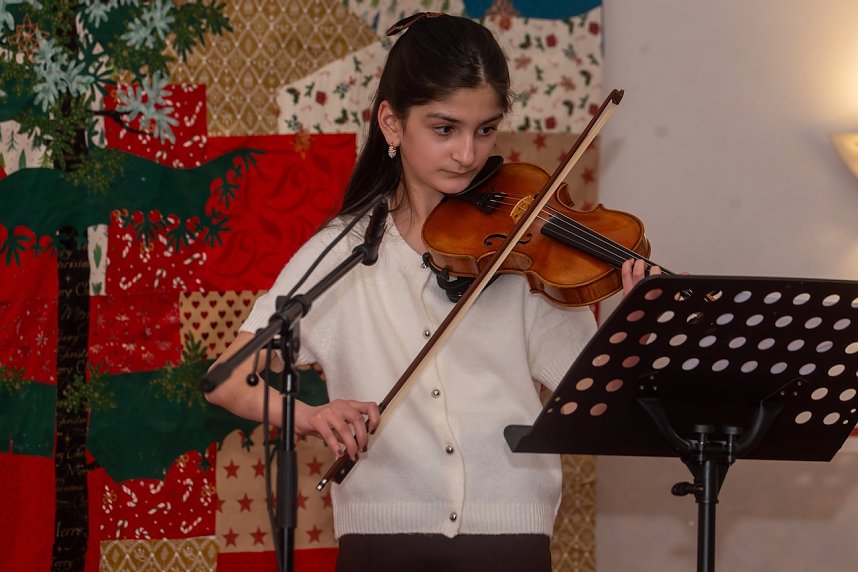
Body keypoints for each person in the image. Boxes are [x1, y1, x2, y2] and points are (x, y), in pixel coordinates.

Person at [206, 12, 657, 571]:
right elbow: (225, 380)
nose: (468, 154)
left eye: (485, 129)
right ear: (392, 125)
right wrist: (312, 415)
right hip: (382, 546)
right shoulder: (343, 250)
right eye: (445, 129)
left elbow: (594, 398)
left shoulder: (523, 250)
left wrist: (633, 321)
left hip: (509, 542)